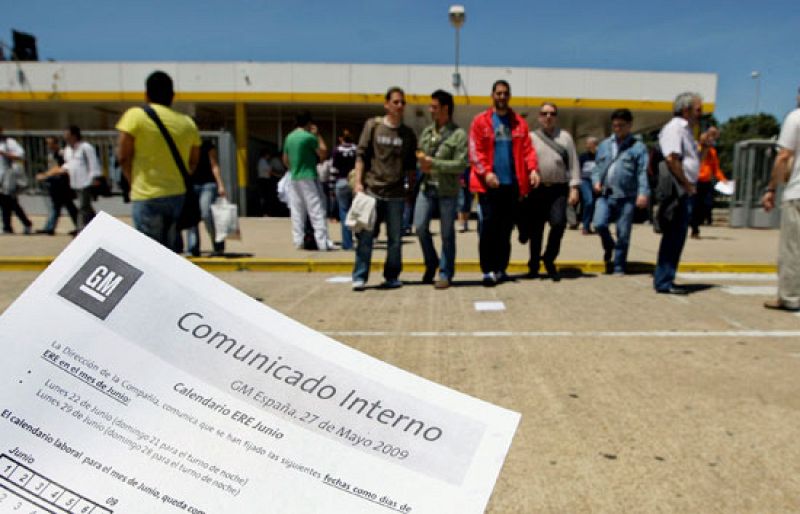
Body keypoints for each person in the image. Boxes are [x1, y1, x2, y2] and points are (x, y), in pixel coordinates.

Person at [116, 70, 201, 252]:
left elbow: (123, 157)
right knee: (171, 252)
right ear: (172, 96)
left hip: (146, 193)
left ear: (146, 94)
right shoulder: (187, 123)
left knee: (149, 253)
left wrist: (132, 181)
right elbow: (193, 162)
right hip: (177, 194)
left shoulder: (135, 116)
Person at [469, 80, 539, 286]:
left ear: (509, 96)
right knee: (488, 228)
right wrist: (486, 173)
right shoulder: (480, 121)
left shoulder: (519, 123)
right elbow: (474, 151)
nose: (501, 97)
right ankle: (487, 270)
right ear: (492, 95)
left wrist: (533, 169)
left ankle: (501, 268)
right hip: (489, 185)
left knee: (505, 229)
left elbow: (527, 150)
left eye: (505, 93)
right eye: (498, 93)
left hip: (512, 185)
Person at [351, 86, 418, 291]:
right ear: (387, 104)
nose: (399, 106)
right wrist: (358, 183)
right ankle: (360, 276)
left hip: (396, 194)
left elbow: (410, 168)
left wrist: (410, 191)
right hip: (372, 191)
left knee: (395, 240)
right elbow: (361, 156)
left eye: (402, 102)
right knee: (366, 237)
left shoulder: (407, 134)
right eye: (396, 102)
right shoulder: (373, 126)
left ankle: (392, 276)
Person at [414, 89, 468, 289]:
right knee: (419, 227)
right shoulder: (428, 132)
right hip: (426, 187)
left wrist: (434, 163)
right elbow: (420, 153)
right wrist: (422, 162)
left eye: (434, 107)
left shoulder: (459, 134)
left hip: (447, 190)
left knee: (447, 234)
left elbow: (461, 164)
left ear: (446, 109)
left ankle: (445, 273)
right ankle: (431, 262)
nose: (430, 110)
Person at [653, 92, 702, 294]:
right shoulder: (675, 129)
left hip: (684, 188)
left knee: (677, 236)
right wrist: (686, 184)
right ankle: (664, 280)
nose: (701, 114)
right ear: (686, 110)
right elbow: (672, 159)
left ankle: (667, 278)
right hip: (678, 189)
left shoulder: (687, 131)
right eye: (698, 109)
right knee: (673, 236)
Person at [591, 109, 649, 275]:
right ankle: (609, 245)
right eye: (615, 125)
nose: (617, 129)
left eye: (621, 126)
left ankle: (618, 265)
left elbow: (642, 172)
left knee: (623, 232)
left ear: (630, 125)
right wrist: (596, 181)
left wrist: (642, 193)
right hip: (605, 194)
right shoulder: (604, 145)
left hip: (627, 197)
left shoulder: (638, 147)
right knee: (599, 224)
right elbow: (597, 168)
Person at [526, 102, 580, 281]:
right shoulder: (531, 137)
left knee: (558, 224)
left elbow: (573, 164)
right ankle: (533, 265)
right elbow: (525, 161)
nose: (548, 116)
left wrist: (574, 188)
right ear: (539, 116)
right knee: (536, 230)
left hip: (558, 189)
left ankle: (549, 258)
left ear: (556, 116)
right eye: (544, 113)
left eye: (552, 113)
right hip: (537, 189)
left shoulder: (565, 137)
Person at [761, 97, 800, 312]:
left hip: (797, 192)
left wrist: (771, 188)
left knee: (793, 248)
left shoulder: (795, 117)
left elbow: (783, 156)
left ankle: (790, 296)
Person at [282, 111, 336, 251]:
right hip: (309, 176)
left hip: (294, 177)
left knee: (297, 211)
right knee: (316, 210)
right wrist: (317, 134)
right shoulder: (309, 137)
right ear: (308, 123)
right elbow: (323, 152)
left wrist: (294, 168)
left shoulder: (289, 137)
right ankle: (322, 242)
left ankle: (298, 241)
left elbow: (285, 160)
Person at [37, 126, 102, 233]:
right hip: (75, 182)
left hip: (86, 181)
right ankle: (98, 224)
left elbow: (93, 163)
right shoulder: (68, 150)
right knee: (86, 207)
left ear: (75, 136)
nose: (66, 138)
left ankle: (80, 229)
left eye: (68, 136)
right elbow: (67, 166)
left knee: (83, 207)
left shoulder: (86, 147)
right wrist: (47, 174)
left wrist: (95, 178)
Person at [186, 139, 226, 256]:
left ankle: (218, 245)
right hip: (191, 184)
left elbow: (214, 165)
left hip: (208, 184)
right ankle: (193, 248)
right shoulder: (185, 142)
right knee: (192, 217)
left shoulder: (207, 144)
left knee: (206, 214)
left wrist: (221, 185)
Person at [691, 126, 729, 238]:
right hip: (696, 181)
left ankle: (699, 222)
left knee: (706, 204)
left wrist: (723, 179)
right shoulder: (697, 149)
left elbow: (716, 169)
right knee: (695, 206)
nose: (711, 139)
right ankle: (695, 229)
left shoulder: (713, 152)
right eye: (709, 136)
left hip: (706, 181)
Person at [35, 136, 78, 235]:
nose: (48, 146)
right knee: (62, 206)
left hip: (62, 184)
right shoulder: (51, 155)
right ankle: (50, 227)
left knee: (66, 206)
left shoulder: (61, 154)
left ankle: (50, 227)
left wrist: (45, 175)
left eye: (50, 143)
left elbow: (61, 168)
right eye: (47, 143)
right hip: (55, 183)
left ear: (56, 144)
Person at [0, 127, 33, 234]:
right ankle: (9, 226)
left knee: (10, 201)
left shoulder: (9, 143)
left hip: (8, 176)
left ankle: (19, 224)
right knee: (6, 202)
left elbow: (21, 155)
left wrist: (5, 154)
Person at [331, 129, 357, 250]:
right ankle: (360, 238)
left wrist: (331, 187)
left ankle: (347, 243)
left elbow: (334, 170)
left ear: (341, 138)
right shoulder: (356, 149)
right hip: (354, 181)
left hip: (341, 182)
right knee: (357, 212)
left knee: (344, 212)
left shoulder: (337, 150)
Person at [578, 136, 599, 234]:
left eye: (590, 144)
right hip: (585, 181)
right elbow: (577, 170)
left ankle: (589, 225)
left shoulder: (600, 156)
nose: (588, 146)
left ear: (595, 145)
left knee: (594, 204)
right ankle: (585, 226)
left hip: (596, 182)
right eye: (587, 144)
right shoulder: (583, 157)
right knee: (589, 201)